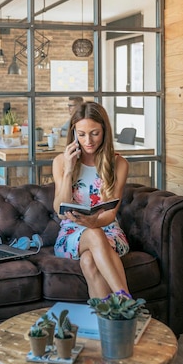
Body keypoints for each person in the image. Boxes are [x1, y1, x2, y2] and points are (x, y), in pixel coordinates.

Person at [52, 101, 131, 299]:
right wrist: (69, 170)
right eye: (81, 134)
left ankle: (104, 325)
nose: (88, 141)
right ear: (73, 134)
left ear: (104, 131)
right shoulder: (61, 161)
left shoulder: (118, 163)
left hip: (108, 230)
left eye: (95, 133)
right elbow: (60, 211)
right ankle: (125, 299)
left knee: (89, 261)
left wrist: (94, 222)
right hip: (72, 233)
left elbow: (111, 213)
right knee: (94, 235)